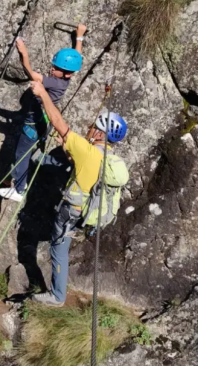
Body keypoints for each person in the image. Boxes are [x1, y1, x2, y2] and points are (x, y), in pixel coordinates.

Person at [30, 80, 128, 306]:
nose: (90, 128)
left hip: (71, 211)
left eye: (94, 126)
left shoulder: (87, 151)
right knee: (62, 242)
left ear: (100, 133)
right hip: (86, 214)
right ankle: (58, 293)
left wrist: (43, 93)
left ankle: (57, 296)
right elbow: (84, 166)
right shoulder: (109, 160)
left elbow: (57, 121)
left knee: (58, 248)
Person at [0, 23, 87, 202]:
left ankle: (19, 189)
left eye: (56, 68)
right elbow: (77, 58)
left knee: (20, 155)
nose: (52, 69)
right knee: (29, 151)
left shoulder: (54, 82)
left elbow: (30, 72)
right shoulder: (66, 77)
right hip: (42, 122)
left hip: (32, 125)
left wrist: (24, 52)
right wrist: (79, 36)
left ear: (66, 74)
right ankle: (38, 158)